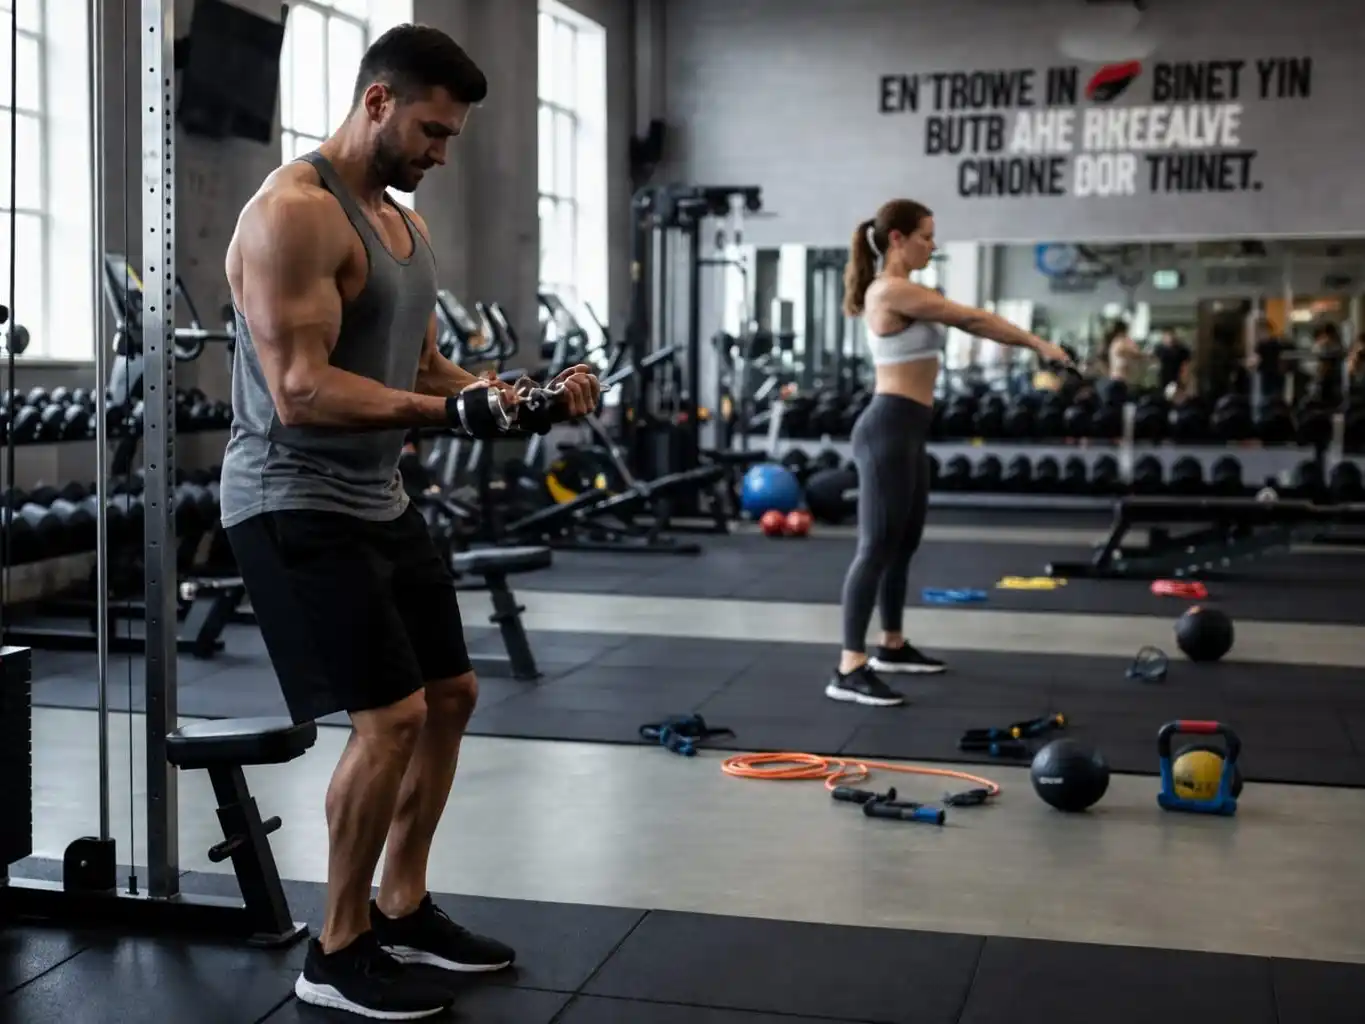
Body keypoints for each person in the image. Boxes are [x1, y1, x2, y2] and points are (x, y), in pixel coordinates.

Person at [220, 25, 602, 1020]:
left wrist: (525, 395)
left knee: (452, 694)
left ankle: (400, 901)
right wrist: (446, 414)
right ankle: (334, 947)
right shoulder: (293, 216)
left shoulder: (404, 227)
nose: (441, 152)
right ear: (379, 100)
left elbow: (428, 372)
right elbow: (300, 390)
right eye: (431, 130)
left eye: (453, 137)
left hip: (377, 500)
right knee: (387, 717)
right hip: (289, 500)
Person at [830, 199, 1071, 707]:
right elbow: (973, 320)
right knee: (875, 547)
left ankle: (890, 644)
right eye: (925, 236)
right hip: (886, 428)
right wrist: (1040, 346)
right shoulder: (891, 290)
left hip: (910, 429)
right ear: (896, 238)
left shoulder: (910, 289)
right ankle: (848, 667)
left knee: (903, 543)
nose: (932, 245)